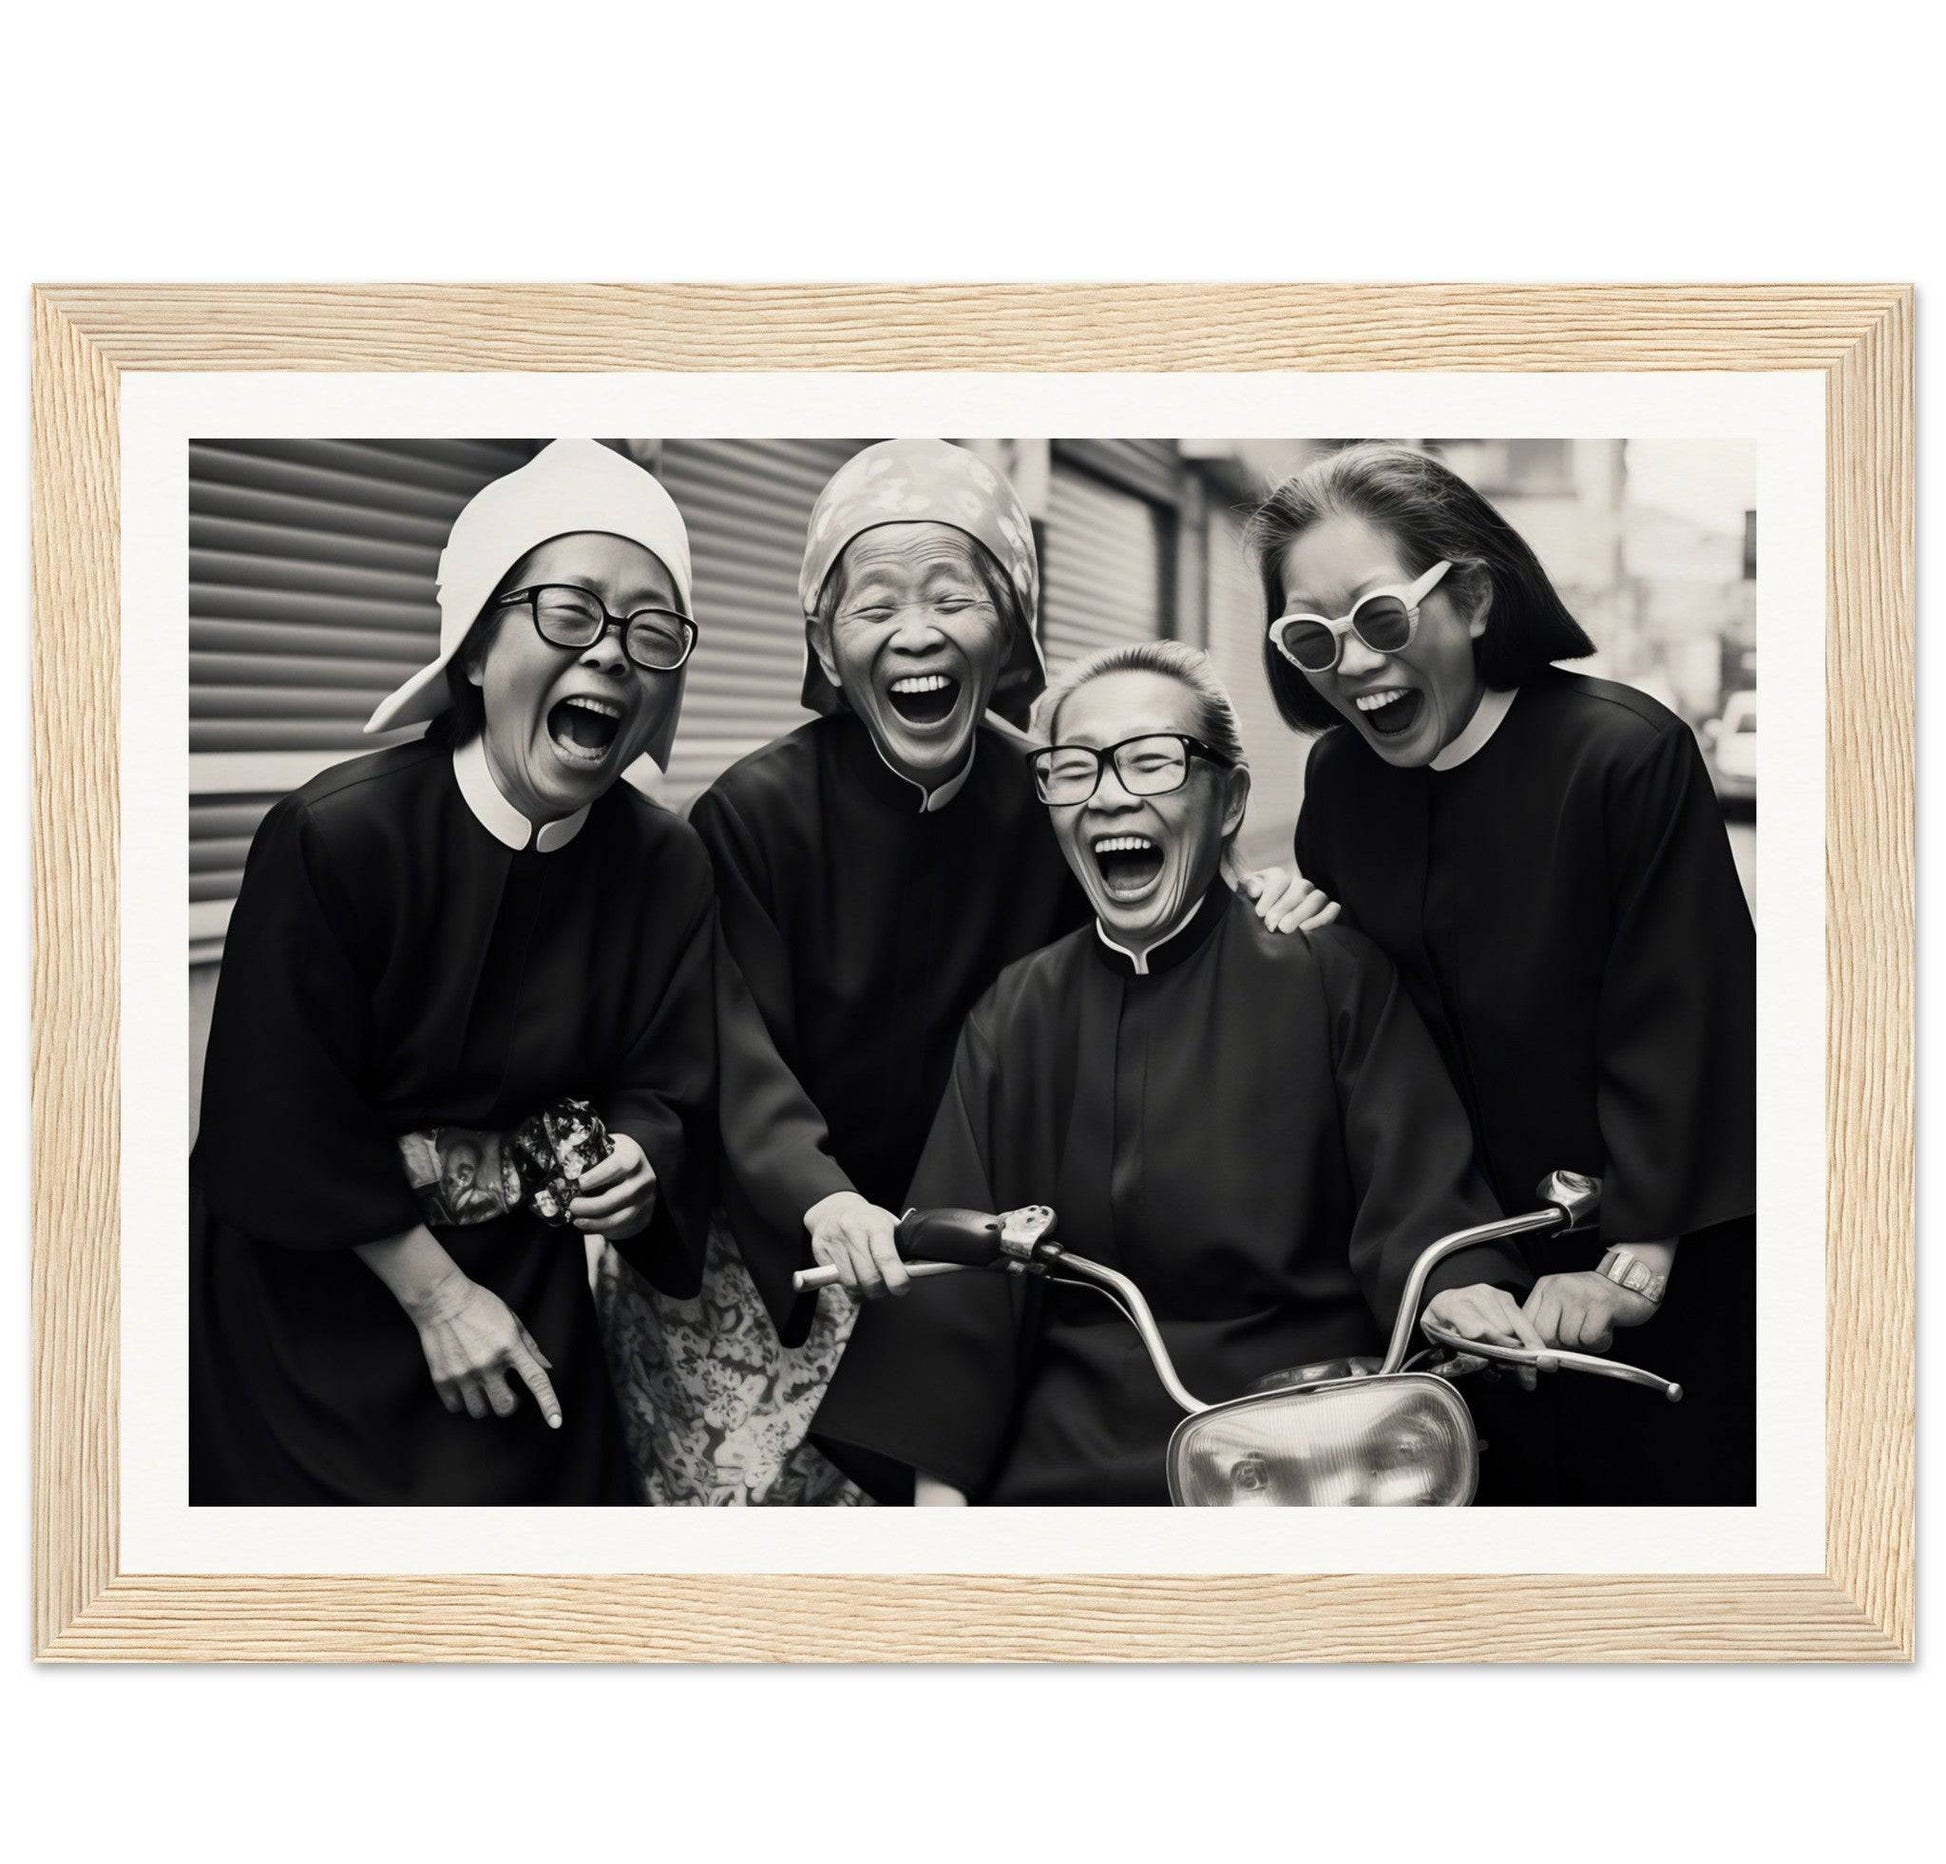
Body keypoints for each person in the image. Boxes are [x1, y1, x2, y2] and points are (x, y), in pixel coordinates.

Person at [598, 439, 1331, 1505]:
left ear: (1014, 627)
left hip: (972, 1254)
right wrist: (822, 1198)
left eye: (954, 595)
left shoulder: (1050, 794)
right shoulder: (753, 814)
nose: (915, 632)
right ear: (822, 638)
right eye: (872, 604)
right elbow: (730, 1048)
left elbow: (1151, 903)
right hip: (781, 1253)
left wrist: (1258, 896)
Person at [810, 642, 1529, 1506]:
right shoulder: (1018, 1011)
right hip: (1067, 1454)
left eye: (1153, 762)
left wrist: (1461, 1290)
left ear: (1228, 799)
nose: (1110, 794)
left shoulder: (1329, 975)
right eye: (1073, 770)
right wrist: (941, 1494)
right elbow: (957, 1274)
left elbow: (1419, 1198)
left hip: (1306, 1439)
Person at [191, 439, 716, 1505]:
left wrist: (638, 1154)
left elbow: (670, 1074)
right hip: (319, 1302)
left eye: (649, 631)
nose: (611, 653)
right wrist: (436, 1299)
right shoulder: (337, 835)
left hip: (521, 1289)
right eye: (570, 613)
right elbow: (277, 1111)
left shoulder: (664, 863)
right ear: (475, 651)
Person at [1247, 443, 1757, 1505]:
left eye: (1379, 618)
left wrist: (1634, 1254)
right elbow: (1368, 1033)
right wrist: (1300, 930)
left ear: (1471, 598)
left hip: (1643, 1283)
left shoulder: (1622, 755)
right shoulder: (1337, 780)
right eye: (1309, 636)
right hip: (1448, 1284)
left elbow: (1687, 1020)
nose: (1348, 662)